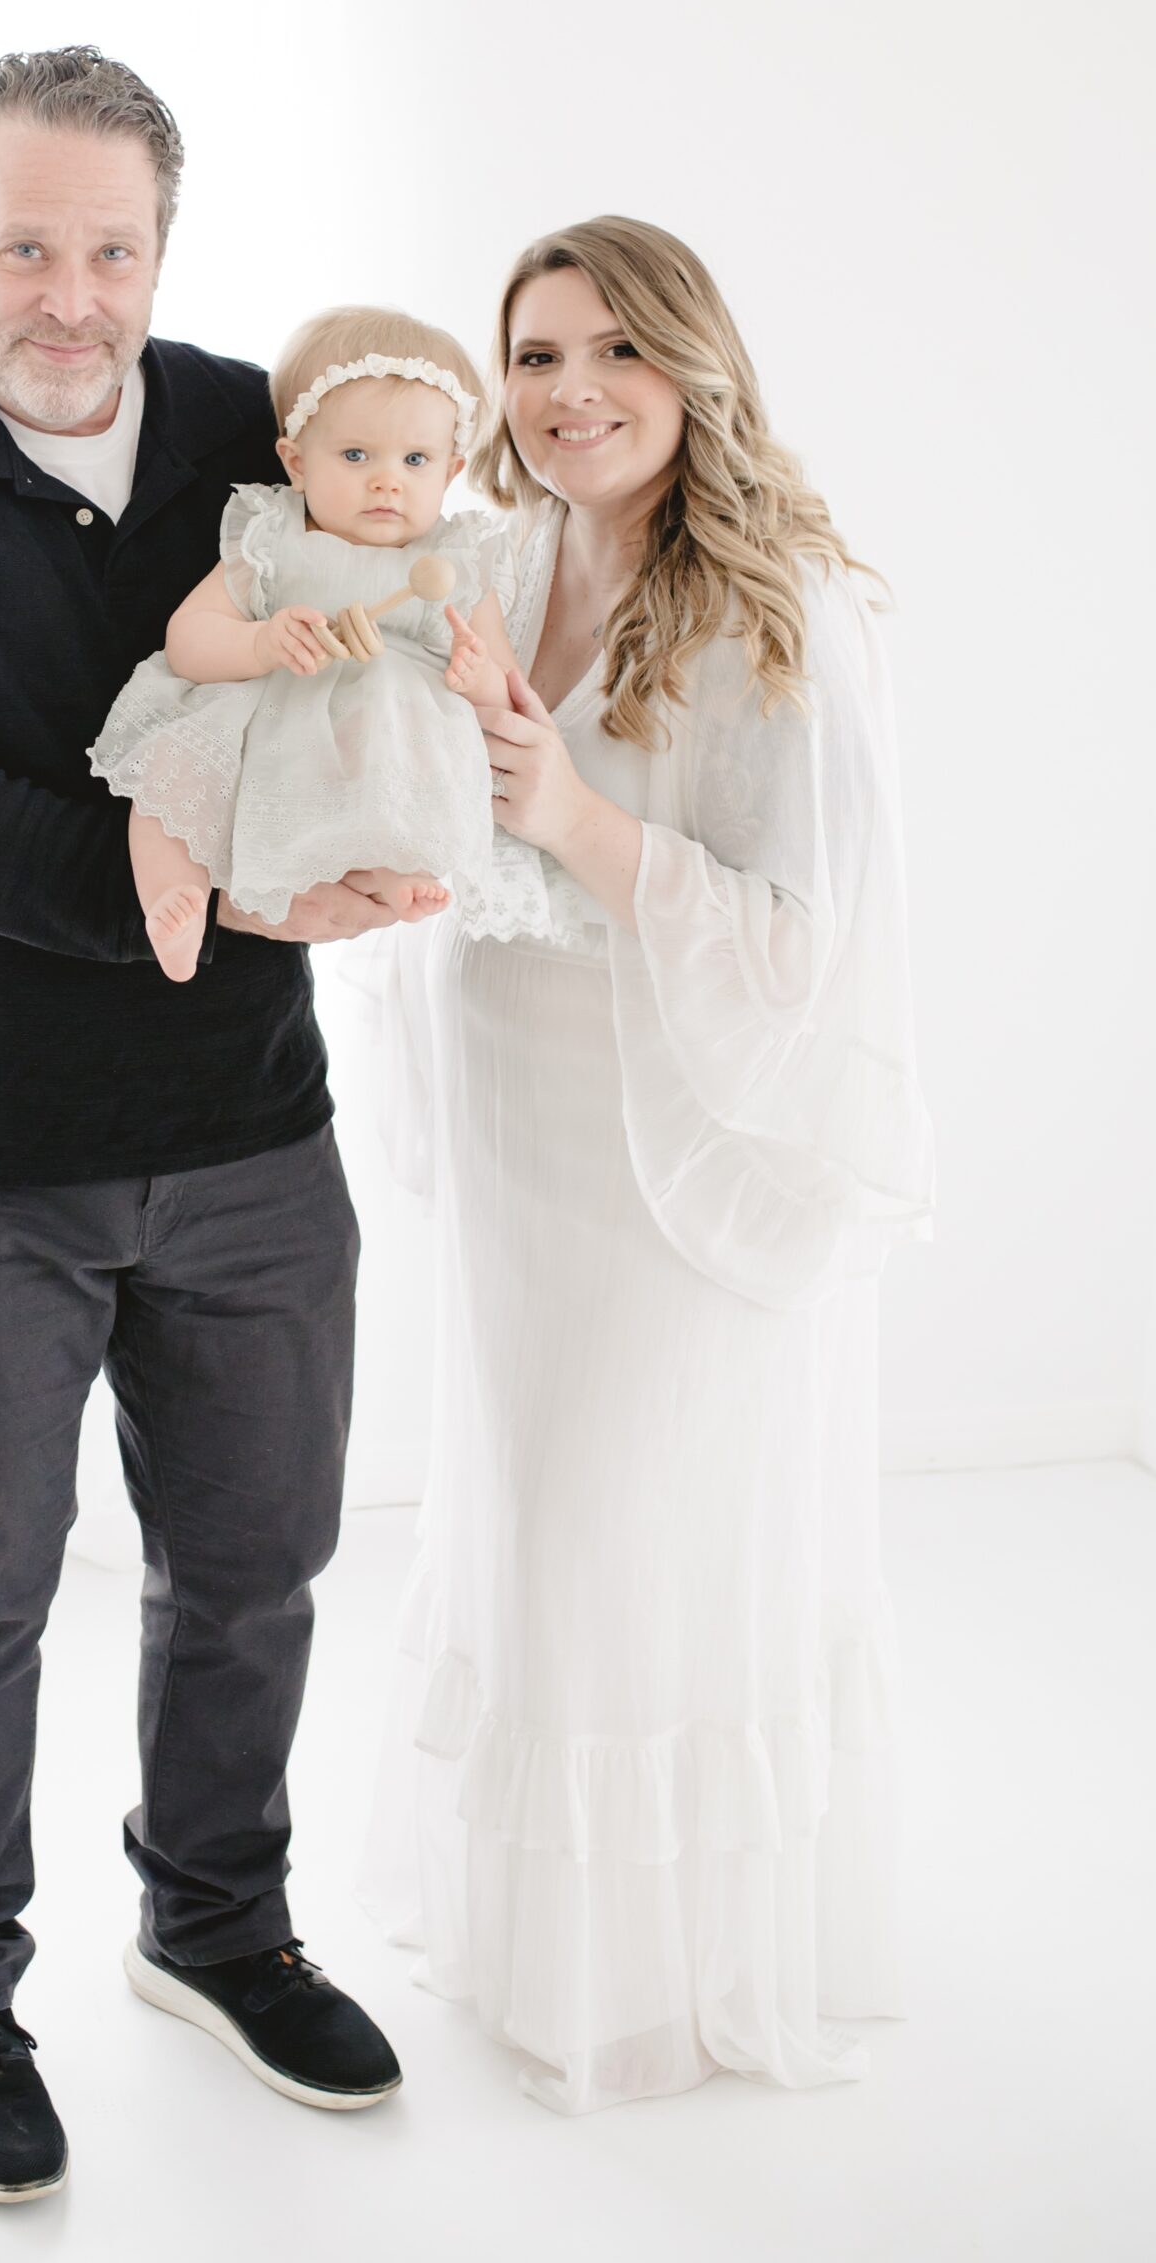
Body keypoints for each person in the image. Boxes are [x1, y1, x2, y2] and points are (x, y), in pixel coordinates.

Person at [0, 45, 405, 2207]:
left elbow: (402, 556)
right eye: (20, 241)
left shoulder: (242, 429)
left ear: (158, 253)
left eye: (104, 248)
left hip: (246, 1132)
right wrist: (197, 888)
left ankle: (214, 1920)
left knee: (256, 1563)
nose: (64, 291)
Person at [358, 217, 934, 2115]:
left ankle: (667, 1975)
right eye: (531, 356)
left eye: (612, 349)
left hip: (678, 1147)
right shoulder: (495, 558)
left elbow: (798, 943)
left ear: (690, 367)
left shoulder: (774, 610)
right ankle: (540, 1951)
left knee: (638, 1532)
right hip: (521, 1130)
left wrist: (577, 820)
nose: (569, 390)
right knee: (528, 1519)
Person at [90, 304, 523, 979]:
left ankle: (388, 879)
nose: (387, 480)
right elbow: (188, 641)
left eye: (415, 459)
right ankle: (172, 896)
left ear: (450, 469)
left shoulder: (456, 562)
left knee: (395, 772)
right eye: (356, 455)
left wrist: (475, 677)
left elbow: (506, 691)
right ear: (295, 462)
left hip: (376, 734)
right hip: (261, 721)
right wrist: (261, 643)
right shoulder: (272, 538)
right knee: (170, 778)